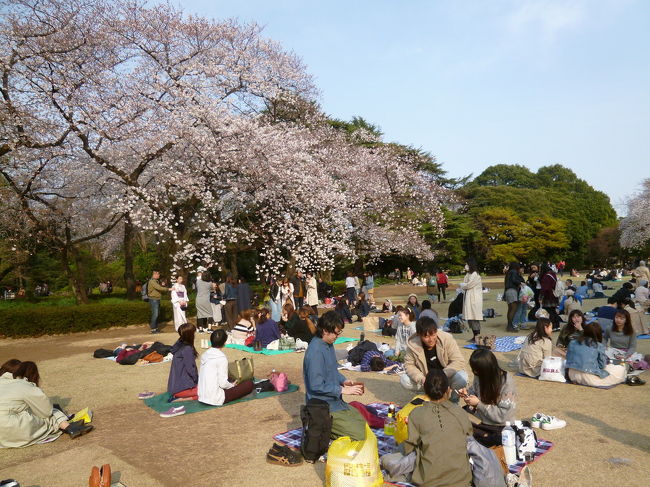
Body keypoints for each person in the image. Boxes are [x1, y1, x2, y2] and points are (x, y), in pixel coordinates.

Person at [303, 311, 366, 441]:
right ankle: (323, 428)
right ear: (325, 331)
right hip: (323, 406)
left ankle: (329, 428)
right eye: (336, 333)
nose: (337, 336)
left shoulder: (328, 344)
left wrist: (344, 381)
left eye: (339, 332)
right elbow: (316, 385)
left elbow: (332, 370)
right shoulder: (315, 352)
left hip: (336, 402)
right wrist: (343, 390)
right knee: (359, 434)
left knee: (362, 422)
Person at [404, 369, 473, 487]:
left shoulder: (416, 413)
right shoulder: (460, 412)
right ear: (448, 390)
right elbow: (468, 436)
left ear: (425, 391)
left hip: (428, 481)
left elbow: (409, 449)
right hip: (462, 480)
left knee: (390, 460)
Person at [0, 360, 93, 448]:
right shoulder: (24, 384)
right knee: (51, 411)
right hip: (11, 429)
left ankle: (69, 426)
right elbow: (46, 412)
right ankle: (69, 427)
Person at [401, 317, 468, 400]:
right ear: (419, 334)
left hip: (446, 376)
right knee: (405, 380)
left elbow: (458, 361)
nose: (431, 340)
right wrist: (421, 378)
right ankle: (426, 397)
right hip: (427, 380)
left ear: (436, 331)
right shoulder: (413, 344)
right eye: (426, 336)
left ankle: (453, 401)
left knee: (462, 377)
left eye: (433, 335)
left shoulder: (446, 339)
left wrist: (442, 375)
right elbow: (409, 365)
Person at [460, 349, 517, 426]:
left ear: (486, 369)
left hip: (498, 424)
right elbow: (474, 391)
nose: (475, 373)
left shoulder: (506, 384)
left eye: (477, 371)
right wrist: (467, 394)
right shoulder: (480, 375)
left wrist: (478, 404)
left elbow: (503, 416)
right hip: (480, 417)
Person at [198, 329, 254, 406]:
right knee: (249, 384)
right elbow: (223, 383)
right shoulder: (221, 358)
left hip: (202, 396)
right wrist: (232, 386)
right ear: (224, 343)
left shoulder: (205, 355)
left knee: (230, 378)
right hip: (215, 398)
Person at [566, 322, 626, 387]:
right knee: (620, 368)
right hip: (590, 378)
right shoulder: (598, 345)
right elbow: (602, 365)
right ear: (598, 334)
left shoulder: (572, 342)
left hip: (571, 375)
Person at [167, 323, 199, 401]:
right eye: (194, 333)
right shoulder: (187, 349)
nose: (195, 335)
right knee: (209, 391)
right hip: (183, 387)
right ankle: (184, 399)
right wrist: (197, 380)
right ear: (190, 335)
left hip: (174, 386)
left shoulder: (179, 345)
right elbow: (191, 369)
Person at [460, 258, 483, 339]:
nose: (465, 266)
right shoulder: (468, 274)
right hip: (468, 297)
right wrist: (463, 285)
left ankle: (477, 336)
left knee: (474, 317)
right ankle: (474, 335)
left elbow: (468, 285)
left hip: (474, 299)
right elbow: (465, 284)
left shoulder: (475, 275)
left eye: (467, 264)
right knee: (470, 317)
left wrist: (462, 285)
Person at [539, 263, 561, 331]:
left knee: (550, 311)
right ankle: (557, 325)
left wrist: (541, 297)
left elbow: (545, 288)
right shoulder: (553, 274)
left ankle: (553, 326)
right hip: (554, 295)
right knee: (553, 311)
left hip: (548, 296)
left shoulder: (546, 276)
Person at [504, 262, 525, 331]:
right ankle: (510, 326)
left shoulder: (509, 272)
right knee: (513, 309)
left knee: (510, 309)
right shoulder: (514, 272)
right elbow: (514, 280)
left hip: (508, 291)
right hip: (512, 291)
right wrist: (520, 283)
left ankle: (509, 325)